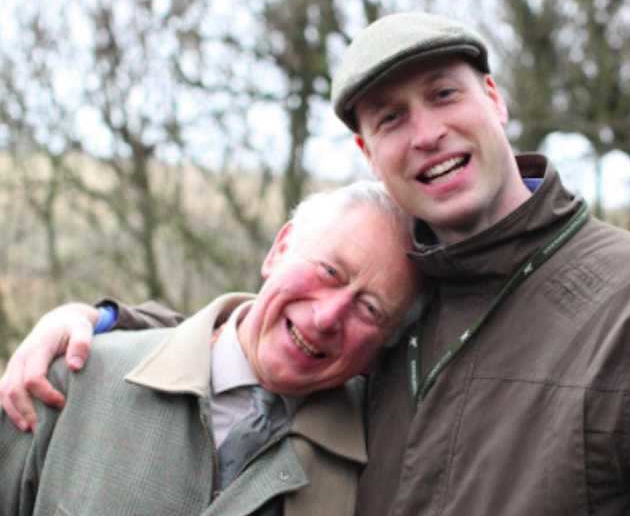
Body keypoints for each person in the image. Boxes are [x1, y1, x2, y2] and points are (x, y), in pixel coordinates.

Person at [3, 11, 630, 515]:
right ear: (368, 153)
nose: (426, 133)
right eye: (390, 117)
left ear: (494, 98)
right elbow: (262, 348)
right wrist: (98, 323)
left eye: (444, 94)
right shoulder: (405, 314)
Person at [0, 181, 421, 516]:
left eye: (370, 309)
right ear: (280, 248)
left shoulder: (380, 464)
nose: (328, 317)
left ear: (384, 344)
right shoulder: (74, 383)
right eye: (329, 271)